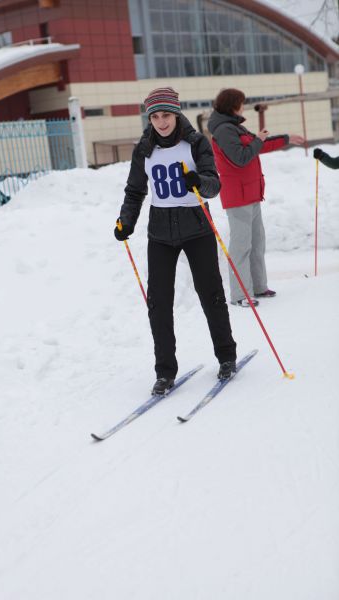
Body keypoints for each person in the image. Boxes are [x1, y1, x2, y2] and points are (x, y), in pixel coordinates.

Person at [114, 87, 237, 395]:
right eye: (154, 117)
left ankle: (226, 356)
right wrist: (125, 221)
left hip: (197, 228)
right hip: (160, 234)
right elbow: (135, 190)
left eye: (166, 115)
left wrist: (200, 182)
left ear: (176, 113)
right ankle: (165, 372)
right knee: (158, 303)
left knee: (211, 295)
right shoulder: (144, 148)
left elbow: (214, 185)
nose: (161, 122)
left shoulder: (195, 143)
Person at [208, 88, 304, 307]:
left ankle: (258, 287)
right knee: (241, 246)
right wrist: (258, 141)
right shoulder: (224, 130)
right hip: (237, 196)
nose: (244, 106)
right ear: (233, 105)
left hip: (250, 193)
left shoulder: (234, 126)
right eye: (241, 103)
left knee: (256, 243)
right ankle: (241, 294)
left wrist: (287, 139)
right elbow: (241, 158)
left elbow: (258, 144)